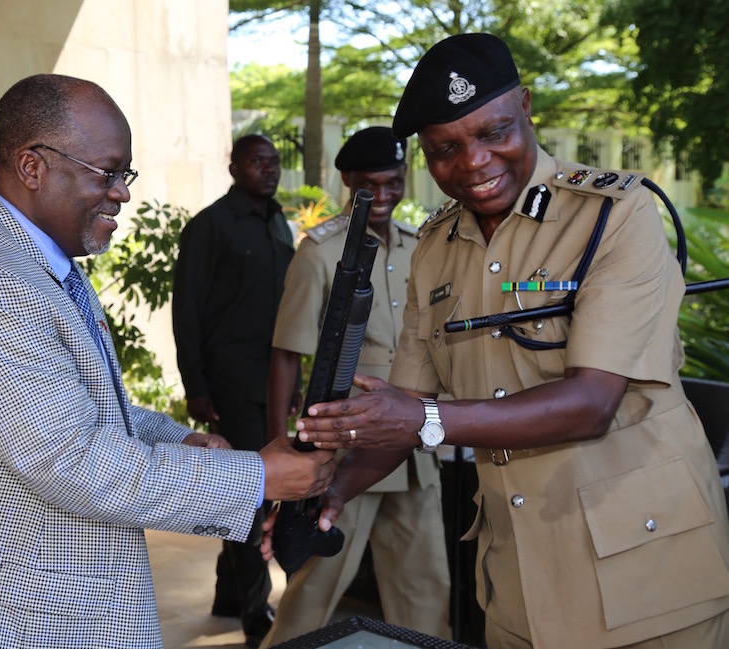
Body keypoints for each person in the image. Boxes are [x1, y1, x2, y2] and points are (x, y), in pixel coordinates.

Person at [264, 33, 729, 649]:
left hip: (647, 577)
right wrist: (330, 491)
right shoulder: (435, 247)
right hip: (518, 585)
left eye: (494, 132)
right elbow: (405, 403)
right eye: (444, 149)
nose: (474, 162)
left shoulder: (616, 214)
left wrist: (423, 420)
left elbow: (592, 402)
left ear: (526, 107)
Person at [0, 74, 335, 649]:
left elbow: (80, 409)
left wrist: (181, 440)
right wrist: (257, 476)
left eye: (124, 175)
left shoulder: (38, 263)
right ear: (32, 167)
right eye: (107, 172)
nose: (122, 194)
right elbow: (72, 459)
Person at [260, 126, 450, 646]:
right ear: (347, 180)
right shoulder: (320, 252)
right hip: (346, 445)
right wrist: (283, 452)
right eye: (370, 184)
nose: (384, 195)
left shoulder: (421, 245)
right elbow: (286, 354)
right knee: (315, 589)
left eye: (393, 182)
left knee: (426, 587)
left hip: (412, 441)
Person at [172, 134, 295, 647]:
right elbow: (187, 310)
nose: (269, 169)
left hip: (274, 382)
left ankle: (228, 593)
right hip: (230, 383)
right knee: (250, 492)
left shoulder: (280, 224)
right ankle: (255, 613)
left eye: (274, 161)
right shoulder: (210, 226)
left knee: (249, 492)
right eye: (257, 161)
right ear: (234, 168)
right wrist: (196, 387)